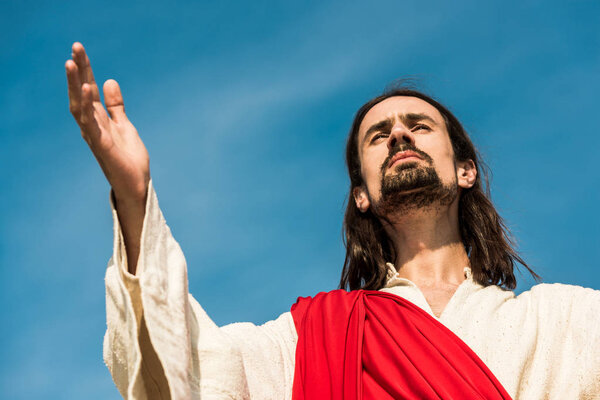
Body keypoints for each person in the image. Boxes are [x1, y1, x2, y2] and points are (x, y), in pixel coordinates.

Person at [66, 42, 600, 399]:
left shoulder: (565, 324)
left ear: (465, 170)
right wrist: (135, 199)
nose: (398, 135)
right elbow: (189, 370)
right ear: (362, 195)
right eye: (378, 134)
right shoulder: (308, 340)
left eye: (419, 125)